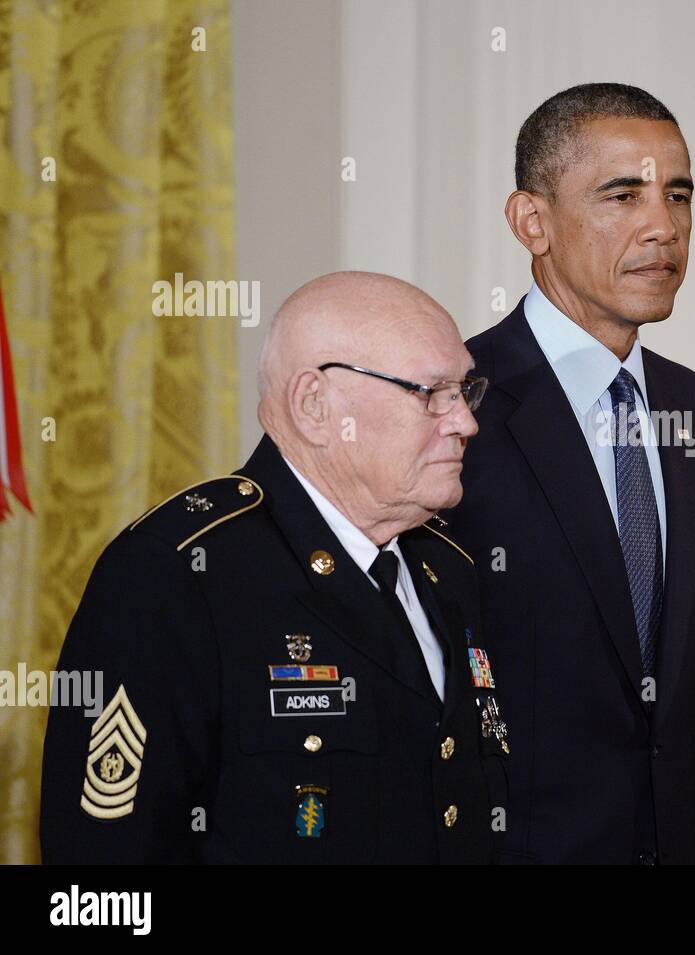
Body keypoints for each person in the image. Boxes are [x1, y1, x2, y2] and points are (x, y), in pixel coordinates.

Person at [41, 271, 509, 863]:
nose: (464, 421)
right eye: (429, 393)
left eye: (464, 391)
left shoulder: (449, 568)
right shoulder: (178, 574)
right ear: (315, 405)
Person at [449, 83, 695, 864]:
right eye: (623, 195)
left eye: (678, 195)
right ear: (532, 221)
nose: (663, 226)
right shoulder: (456, 399)